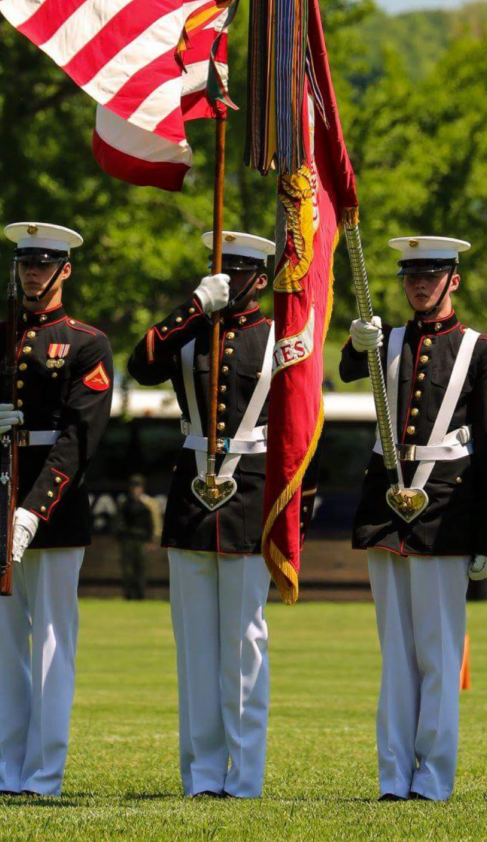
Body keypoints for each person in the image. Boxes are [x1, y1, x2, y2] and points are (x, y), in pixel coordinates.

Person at [128, 230, 314, 799]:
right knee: (194, 645)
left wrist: (295, 509)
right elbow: (141, 366)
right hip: (191, 492)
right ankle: (202, 775)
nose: (227, 283)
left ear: (259, 278)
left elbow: (301, 425)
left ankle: (245, 774)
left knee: (244, 640)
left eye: (236, 274)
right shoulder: (190, 330)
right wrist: (193, 305)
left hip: (252, 493)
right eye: (220, 272)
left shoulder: (281, 336)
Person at [340, 236, 487, 802]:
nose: (419, 285)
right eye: (411, 275)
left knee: (438, 654)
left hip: (447, 509)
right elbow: (344, 369)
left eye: (431, 275)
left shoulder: (480, 349)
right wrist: (354, 339)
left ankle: (432, 779)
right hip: (387, 504)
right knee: (396, 653)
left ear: (453, 280)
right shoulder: (384, 340)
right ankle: (393, 777)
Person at [0, 221, 114, 797]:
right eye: (26, 264)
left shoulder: (86, 343)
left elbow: (80, 437)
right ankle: (5, 774)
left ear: (65, 270)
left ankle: (44, 775)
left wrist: (33, 510)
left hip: (55, 509)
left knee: (50, 644)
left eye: (45, 265)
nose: (34, 274)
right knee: (1, 648)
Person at [114, 474, 160, 600]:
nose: (136, 489)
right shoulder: (125, 502)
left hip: (142, 540)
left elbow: (154, 523)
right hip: (128, 539)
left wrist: (154, 540)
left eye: (138, 486)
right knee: (127, 569)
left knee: (141, 568)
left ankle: (140, 594)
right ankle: (128, 594)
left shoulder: (148, 503)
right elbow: (119, 521)